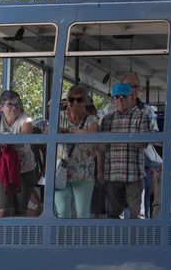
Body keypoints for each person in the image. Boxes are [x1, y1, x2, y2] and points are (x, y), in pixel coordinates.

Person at [0, 90, 37, 217]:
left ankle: (18, 231)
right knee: (4, 212)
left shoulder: (25, 118)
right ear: (1, 107)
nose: (14, 108)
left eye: (17, 104)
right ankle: (6, 230)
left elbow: (26, 134)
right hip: (3, 170)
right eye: (9, 104)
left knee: (20, 212)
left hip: (24, 171)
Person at [97, 82, 151, 219]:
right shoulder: (107, 119)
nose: (120, 100)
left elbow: (144, 143)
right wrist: (100, 169)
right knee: (114, 215)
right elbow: (101, 148)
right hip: (112, 174)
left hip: (134, 173)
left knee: (137, 215)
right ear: (113, 100)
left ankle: (136, 234)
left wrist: (124, 137)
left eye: (123, 96)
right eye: (116, 97)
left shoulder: (141, 116)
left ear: (131, 97)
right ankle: (116, 235)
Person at [54, 84, 99, 219]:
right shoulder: (59, 117)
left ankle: (81, 234)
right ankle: (63, 234)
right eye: (71, 99)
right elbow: (47, 133)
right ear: (67, 102)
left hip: (84, 174)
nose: (75, 103)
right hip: (61, 172)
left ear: (84, 102)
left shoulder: (91, 119)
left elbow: (91, 133)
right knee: (62, 213)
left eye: (79, 100)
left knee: (82, 214)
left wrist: (68, 131)